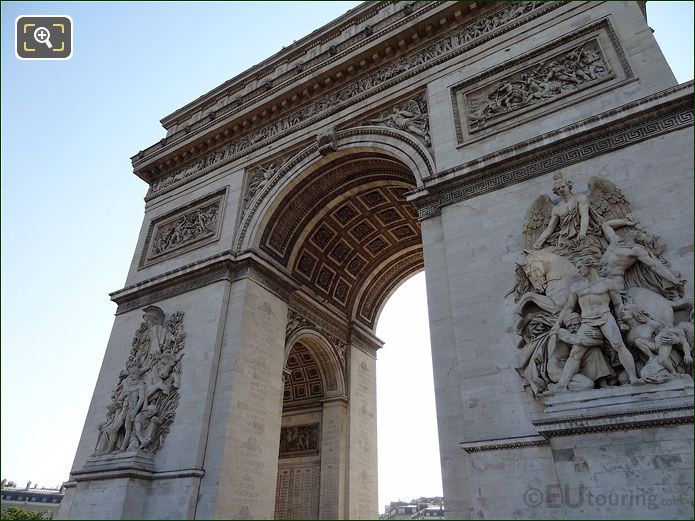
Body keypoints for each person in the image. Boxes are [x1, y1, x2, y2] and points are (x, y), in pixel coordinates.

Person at [547, 256, 638, 393]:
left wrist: (620, 321)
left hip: (606, 318)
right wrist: (557, 325)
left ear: (589, 266)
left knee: (618, 344)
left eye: (580, 266)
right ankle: (561, 385)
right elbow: (569, 308)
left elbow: (618, 304)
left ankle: (633, 377)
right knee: (575, 353)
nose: (578, 270)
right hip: (587, 321)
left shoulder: (608, 284)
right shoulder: (576, 287)